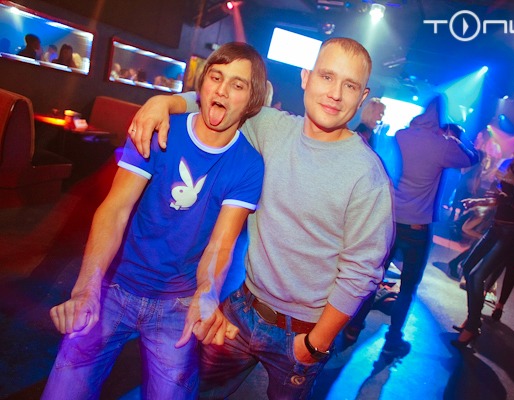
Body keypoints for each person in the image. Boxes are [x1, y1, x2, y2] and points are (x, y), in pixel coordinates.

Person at [128, 37, 393, 399]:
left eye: (350, 85)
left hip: (304, 330)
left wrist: (315, 344)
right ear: (306, 78)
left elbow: (362, 271)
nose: (335, 94)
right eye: (327, 77)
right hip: (243, 307)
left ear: (362, 97)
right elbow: (218, 102)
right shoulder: (271, 128)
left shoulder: (367, 175)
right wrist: (162, 102)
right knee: (193, 392)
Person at [41, 42, 268, 399]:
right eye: (216, 77)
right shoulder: (160, 128)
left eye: (237, 84)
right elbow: (115, 209)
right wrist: (87, 287)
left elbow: (221, 244)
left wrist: (207, 293)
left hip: (178, 302)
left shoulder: (248, 165)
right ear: (202, 84)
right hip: (115, 286)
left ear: (252, 100)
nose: (222, 90)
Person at [345, 98, 478, 357]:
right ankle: (393, 338)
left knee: (374, 277)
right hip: (417, 227)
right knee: (407, 287)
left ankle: (353, 327)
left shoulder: (402, 135)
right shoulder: (444, 145)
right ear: (443, 117)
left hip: (391, 220)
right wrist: (453, 137)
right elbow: (471, 158)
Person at [452, 125, 514, 347]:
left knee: (477, 275)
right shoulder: (512, 164)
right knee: (467, 267)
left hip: (512, 232)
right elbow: (501, 197)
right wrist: (478, 201)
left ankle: (472, 325)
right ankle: (473, 319)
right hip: (496, 226)